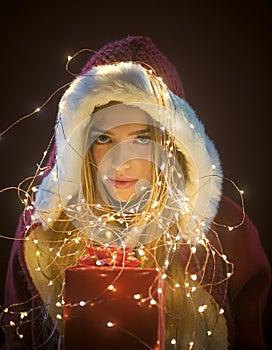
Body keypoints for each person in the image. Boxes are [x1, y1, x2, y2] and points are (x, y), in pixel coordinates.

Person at [1, 35, 270, 350]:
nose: (121, 161)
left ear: (170, 142)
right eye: (104, 139)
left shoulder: (225, 230)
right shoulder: (42, 234)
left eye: (141, 138)